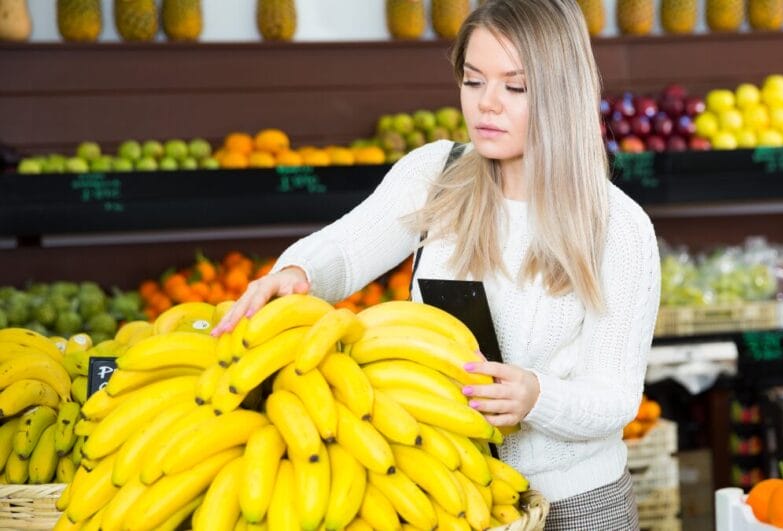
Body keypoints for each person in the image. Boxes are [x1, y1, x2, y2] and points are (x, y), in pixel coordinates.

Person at [213, 0, 660, 528]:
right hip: (451, 495)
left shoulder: (618, 228)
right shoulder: (437, 173)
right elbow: (349, 246)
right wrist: (298, 273)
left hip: (580, 505)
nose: (486, 105)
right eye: (473, 81)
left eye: (515, 87)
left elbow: (616, 398)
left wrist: (538, 397)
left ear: (562, 93)